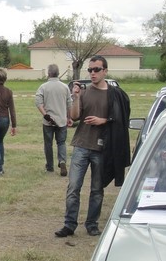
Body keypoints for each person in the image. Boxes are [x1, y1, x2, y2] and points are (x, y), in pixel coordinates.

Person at [55, 55, 131, 238]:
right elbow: (73, 117)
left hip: (102, 148)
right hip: (81, 145)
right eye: (90, 70)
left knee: (97, 189)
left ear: (105, 71)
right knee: (73, 187)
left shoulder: (115, 94)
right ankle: (69, 224)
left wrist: (103, 120)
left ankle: (92, 224)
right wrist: (75, 97)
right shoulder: (85, 91)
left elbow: (121, 120)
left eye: (96, 69)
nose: (92, 73)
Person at [35, 64, 73, 176]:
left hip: (48, 121)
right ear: (58, 73)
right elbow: (69, 103)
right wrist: (69, 117)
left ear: (49, 73)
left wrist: (45, 114)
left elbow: (38, 102)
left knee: (48, 144)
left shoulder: (43, 87)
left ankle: (50, 166)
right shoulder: (65, 87)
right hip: (61, 120)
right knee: (61, 143)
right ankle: (62, 161)